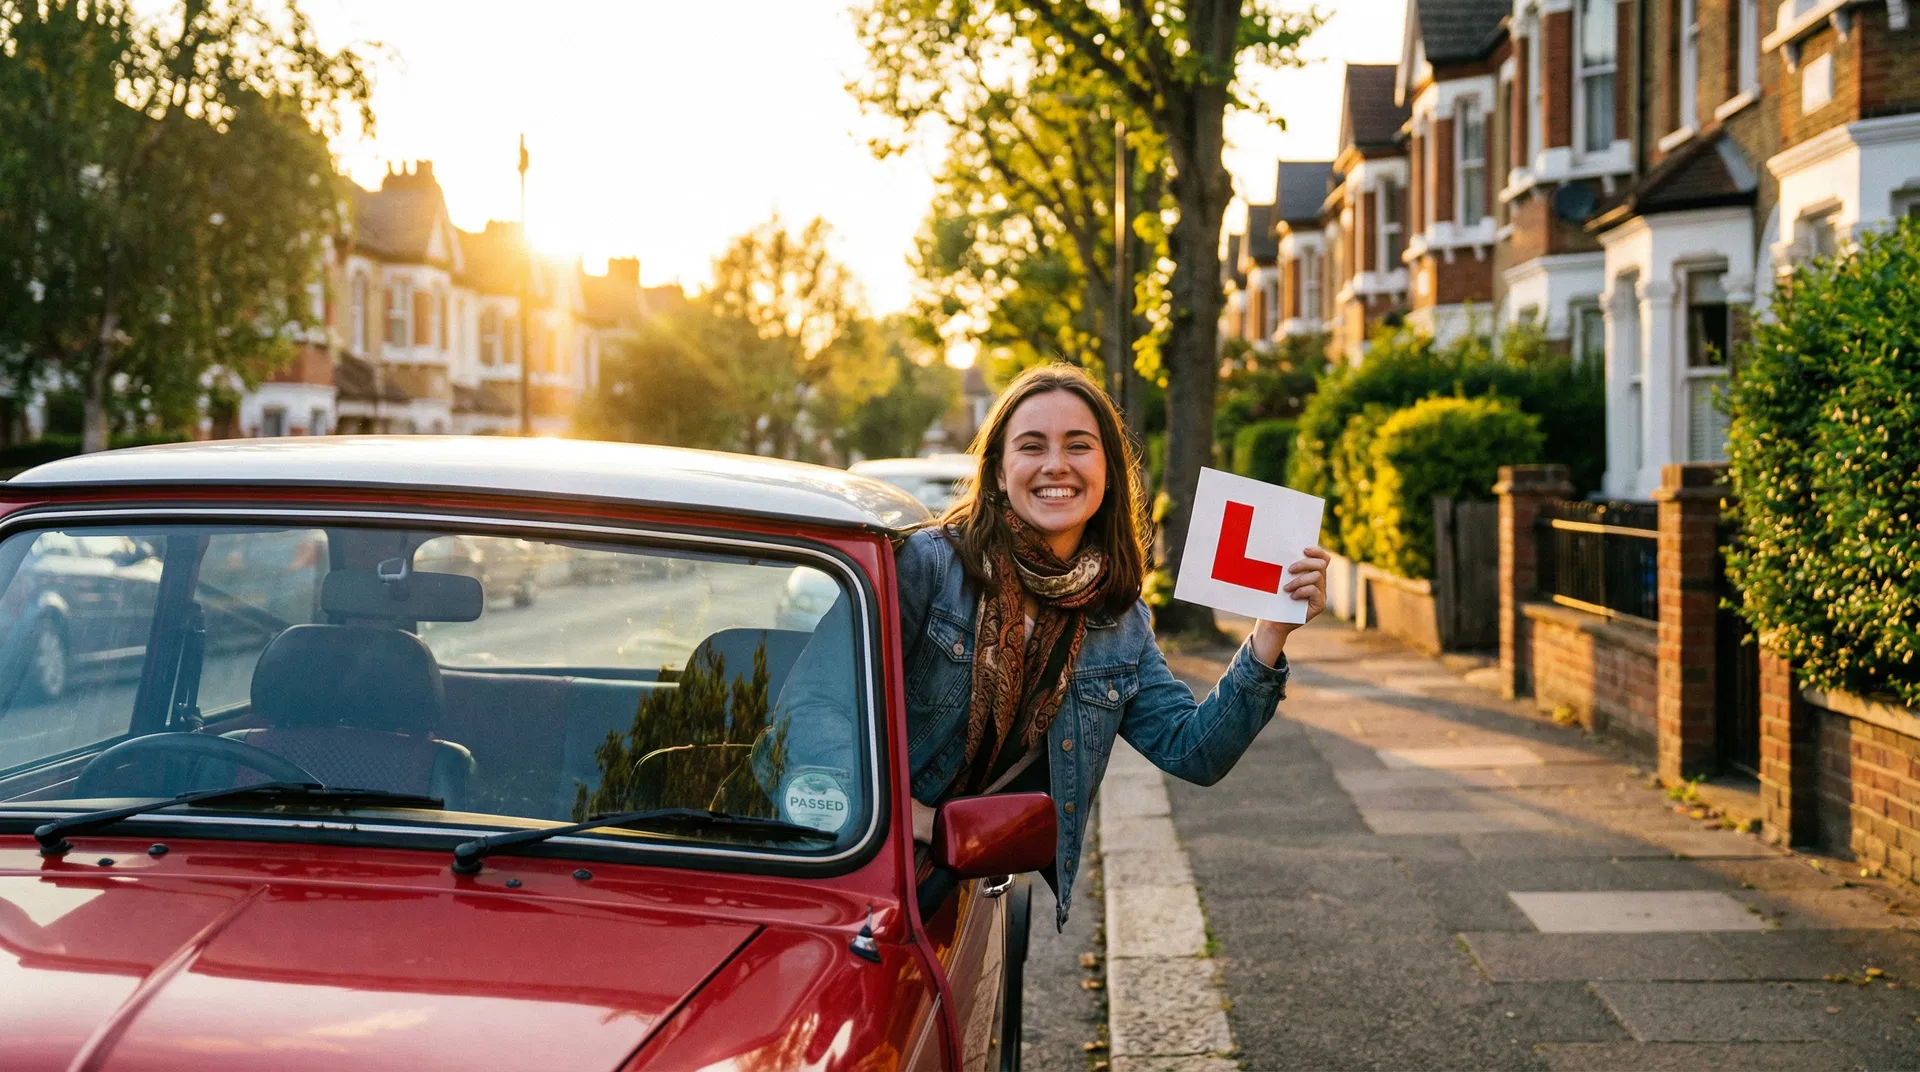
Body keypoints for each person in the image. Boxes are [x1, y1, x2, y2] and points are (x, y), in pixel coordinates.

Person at [765, 363, 1327, 930]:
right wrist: (907, 817)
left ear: (1107, 470)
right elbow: (812, 708)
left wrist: (1270, 633)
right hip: (833, 860)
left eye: (1078, 446)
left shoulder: (1118, 620)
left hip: (949, 889)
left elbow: (1193, 752)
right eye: (1032, 446)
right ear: (999, 472)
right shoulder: (929, 567)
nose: (1056, 464)